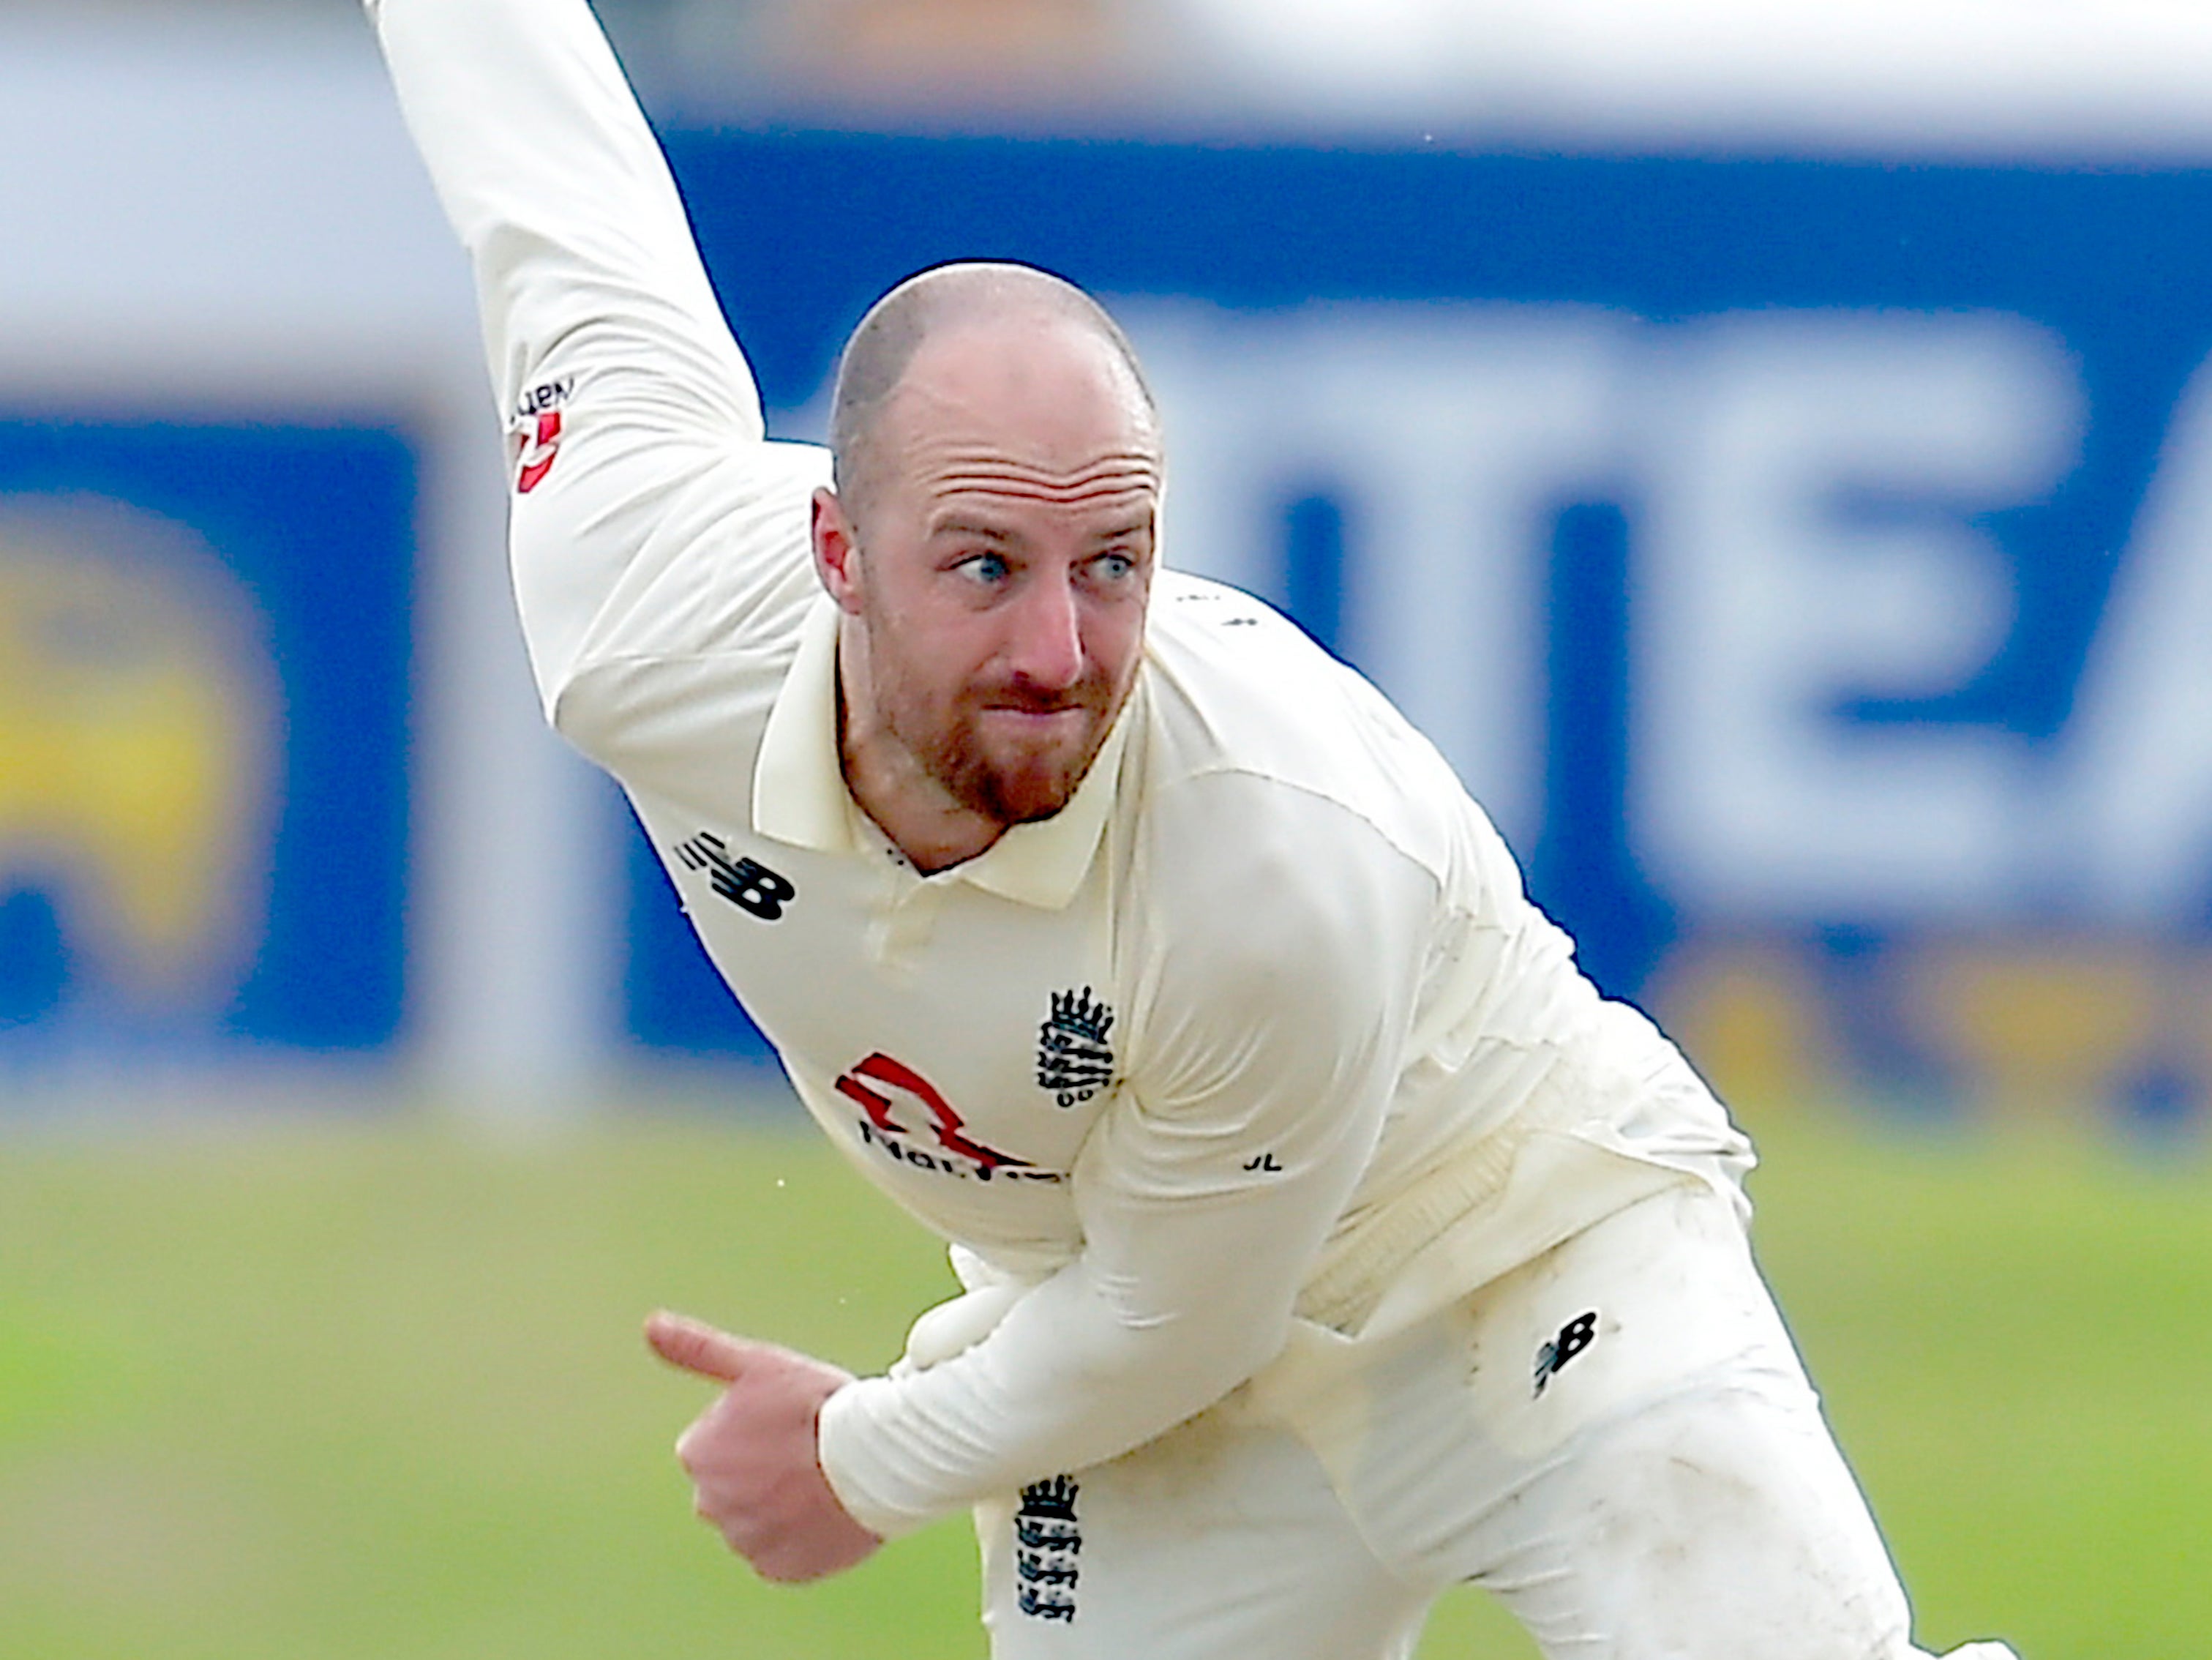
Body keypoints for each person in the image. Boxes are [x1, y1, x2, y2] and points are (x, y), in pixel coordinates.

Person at [367, 1, 2023, 1655]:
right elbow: (554, 205)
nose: (1058, 654)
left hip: (1519, 1257)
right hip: (1132, 1364)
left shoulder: (1275, 855)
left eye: (1115, 563)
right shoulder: (647, 610)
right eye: (982, 565)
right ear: (832, 552)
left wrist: (860, 1461)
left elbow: (1182, 1312)